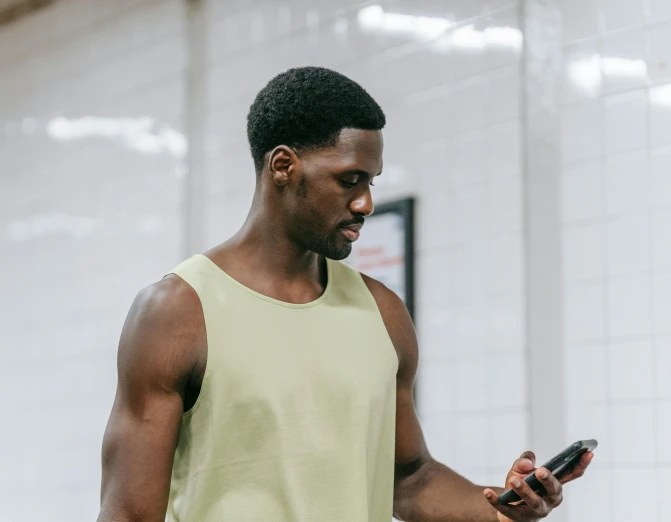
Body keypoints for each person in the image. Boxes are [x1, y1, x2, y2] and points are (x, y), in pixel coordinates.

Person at [96, 66, 593, 522]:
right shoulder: (178, 312)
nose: (366, 203)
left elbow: (411, 479)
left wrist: (504, 511)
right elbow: (128, 515)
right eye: (349, 181)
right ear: (284, 166)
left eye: (371, 182)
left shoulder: (383, 312)